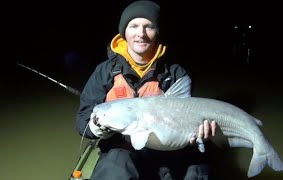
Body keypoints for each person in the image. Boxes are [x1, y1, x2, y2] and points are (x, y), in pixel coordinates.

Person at [75, 1, 216, 179]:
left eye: (149, 27)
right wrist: (98, 127)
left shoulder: (175, 73)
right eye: (133, 26)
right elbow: (82, 121)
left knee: (198, 170)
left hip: (168, 150)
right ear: (124, 31)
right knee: (115, 167)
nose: (140, 34)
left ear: (157, 32)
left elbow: (188, 117)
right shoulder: (105, 72)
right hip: (122, 149)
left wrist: (199, 134)